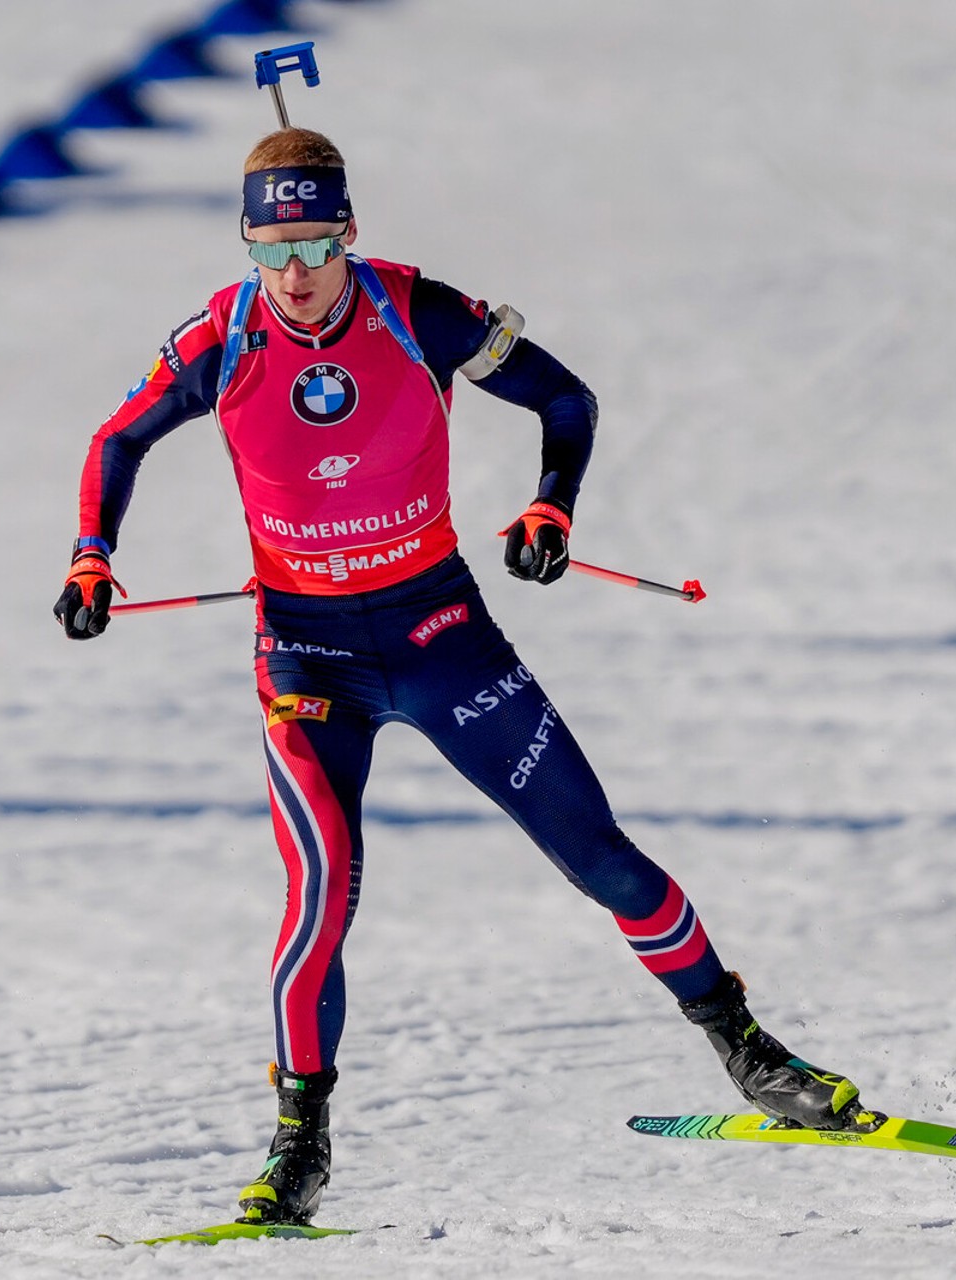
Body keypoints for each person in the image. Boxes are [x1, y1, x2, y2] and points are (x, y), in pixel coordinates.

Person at [55, 127, 870, 1227]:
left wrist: (550, 507)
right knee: (319, 900)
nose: (294, 275)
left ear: (349, 230)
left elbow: (567, 400)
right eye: (271, 249)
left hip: (444, 637)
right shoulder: (222, 335)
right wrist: (93, 555)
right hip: (310, 661)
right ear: (247, 245)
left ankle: (750, 1052)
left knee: (600, 856)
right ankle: (299, 1148)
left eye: (313, 243)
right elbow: (118, 439)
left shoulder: (413, 311)